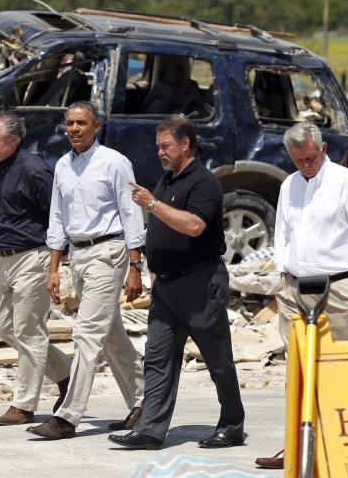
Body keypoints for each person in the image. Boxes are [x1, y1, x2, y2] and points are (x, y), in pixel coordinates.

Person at [108, 115, 245, 450]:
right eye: (157, 147)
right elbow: (160, 231)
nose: (160, 153)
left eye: (165, 146)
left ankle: (232, 423)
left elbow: (194, 226)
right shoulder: (166, 181)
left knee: (217, 360)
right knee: (157, 357)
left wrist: (152, 204)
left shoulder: (204, 183)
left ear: (185, 144)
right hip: (167, 286)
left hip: (199, 283)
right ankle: (151, 429)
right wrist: (150, 270)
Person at [255, 122, 348, 470]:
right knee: (297, 369)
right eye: (298, 159)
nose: (305, 165)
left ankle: (344, 442)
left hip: (338, 286)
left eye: (310, 157)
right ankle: (295, 445)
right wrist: (283, 274)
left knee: (342, 368)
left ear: (322, 150)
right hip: (295, 288)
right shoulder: (288, 185)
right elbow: (283, 233)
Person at [27, 101, 145, 440]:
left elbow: (131, 213)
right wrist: (54, 268)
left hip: (109, 252)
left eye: (81, 123)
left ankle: (67, 416)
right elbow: (58, 219)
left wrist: (136, 266)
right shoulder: (63, 165)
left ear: (96, 126)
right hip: (77, 255)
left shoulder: (114, 163)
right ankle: (145, 403)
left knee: (87, 334)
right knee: (112, 336)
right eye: (69, 123)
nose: (74, 129)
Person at [0, 113, 72, 425]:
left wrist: (56, 264)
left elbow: (58, 215)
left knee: (29, 331)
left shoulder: (34, 170)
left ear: (13, 140)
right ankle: (67, 377)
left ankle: (23, 405)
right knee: (8, 328)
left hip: (33, 257)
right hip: (5, 259)